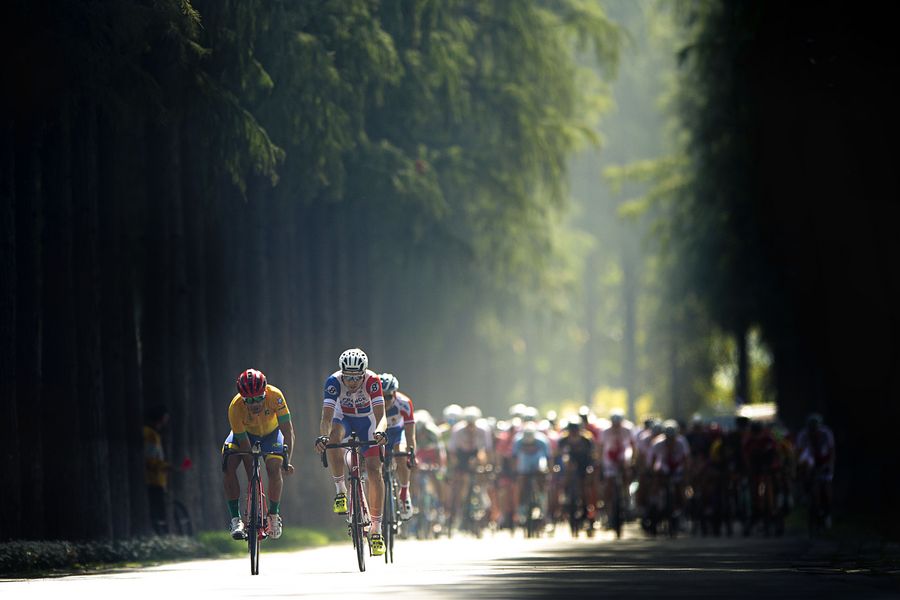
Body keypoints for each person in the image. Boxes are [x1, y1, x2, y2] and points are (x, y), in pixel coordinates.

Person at [315, 348, 388, 556]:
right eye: (348, 377)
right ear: (342, 373)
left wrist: (381, 432)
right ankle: (341, 491)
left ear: (364, 374)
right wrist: (323, 437)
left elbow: (381, 416)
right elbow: (326, 418)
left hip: (368, 422)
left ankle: (376, 530)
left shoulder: (372, 381)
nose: (353, 382)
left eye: (357, 377)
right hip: (344, 419)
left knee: (374, 470)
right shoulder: (333, 382)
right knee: (333, 438)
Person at [222, 368, 296, 541]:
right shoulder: (235, 407)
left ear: (265, 392)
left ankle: (274, 515)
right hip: (245, 436)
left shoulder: (275, 396)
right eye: (249, 400)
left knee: (274, 468)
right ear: (242, 398)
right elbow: (244, 445)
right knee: (228, 463)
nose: (254, 404)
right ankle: (235, 519)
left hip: (271, 435)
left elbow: (288, 430)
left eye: (259, 398)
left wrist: (287, 460)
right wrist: (252, 479)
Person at [380, 372, 417, 519]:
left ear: (395, 393)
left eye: (388, 397)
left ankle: (404, 493)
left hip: (397, 434)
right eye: (381, 396)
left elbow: (410, 434)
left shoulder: (404, 403)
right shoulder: (370, 402)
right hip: (380, 436)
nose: (385, 401)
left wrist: (411, 454)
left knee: (401, 455)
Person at [144, 405, 171, 535]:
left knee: (159, 510)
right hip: (153, 479)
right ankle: (161, 536)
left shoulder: (152, 433)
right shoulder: (150, 434)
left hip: (157, 479)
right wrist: (166, 466)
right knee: (158, 511)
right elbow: (150, 459)